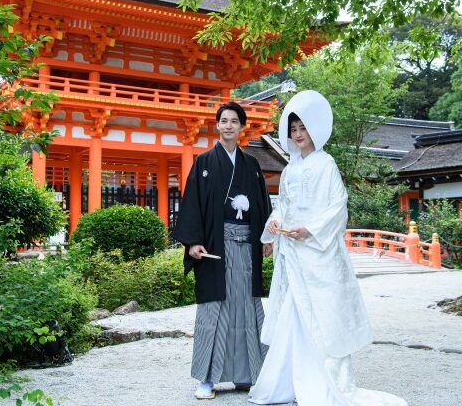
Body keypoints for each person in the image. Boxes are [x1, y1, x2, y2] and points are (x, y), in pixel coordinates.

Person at [248, 90, 408, 406]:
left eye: (302, 129)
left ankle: (324, 385)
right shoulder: (290, 168)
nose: (297, 136)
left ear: (314, 129)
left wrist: (312, 229)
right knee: (293, 314)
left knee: (323, 317)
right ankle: (290, 382)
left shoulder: (326, 163)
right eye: (293, 130)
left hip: (318, 253)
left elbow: (337, 206)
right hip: (293, 254)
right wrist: (274, 223)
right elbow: (284, 206)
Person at [172, 101, 273, 400]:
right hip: (215, 246)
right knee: (213, 310)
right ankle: (207, 378)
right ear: (216, 126)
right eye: (223, 121)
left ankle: (247, 374)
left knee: (246, 307)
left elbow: (263, 205)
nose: (228, 125)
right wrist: (192, 241)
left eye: (234, 121)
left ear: (242, 127)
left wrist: (266, 237)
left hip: (245, 248)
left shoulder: (252, 165)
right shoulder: (204, 163)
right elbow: (192, 204)